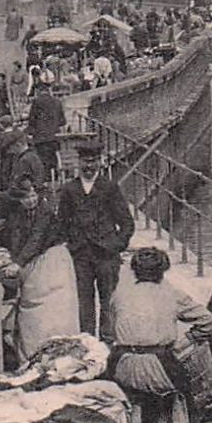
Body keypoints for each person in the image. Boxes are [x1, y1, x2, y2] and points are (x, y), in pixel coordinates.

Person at [109, 247, 212, 423]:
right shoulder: (172, 293)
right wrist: (186, 340)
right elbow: (209, 322)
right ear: (163, 270)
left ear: (134, 270)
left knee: (142, 385)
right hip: (158, 367)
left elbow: (111, 331)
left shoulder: (119, 294)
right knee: (184, 390)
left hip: (122, 367)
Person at [56, 140, 134, 339]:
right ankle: (88, 342)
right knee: (84, 301)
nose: (89, 166)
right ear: (78, 163)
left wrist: (115, 246)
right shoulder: (69, 190)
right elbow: (62, 223)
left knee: (108, 300)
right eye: (85, 162)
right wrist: (71, 245)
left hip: (106, 256)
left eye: (93, 161)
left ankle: (108, 342)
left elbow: (127, 223)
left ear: (100, 162)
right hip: (81, 255)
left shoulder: (110, 188)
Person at [0, 173, 79, 360]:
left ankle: (57, 354)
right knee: (31, 310)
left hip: (52, 261)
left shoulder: (45, 211)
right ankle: (32, 354)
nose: (31, 200)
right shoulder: (17, 213)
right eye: (26, 198)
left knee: (50, 308)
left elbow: (37, 238)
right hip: (33, 261)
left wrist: (18, 263)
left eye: (33, 195)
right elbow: (15, 235)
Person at [28, 82, 64, 178]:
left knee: (43, 160)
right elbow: (63, 121)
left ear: (38, 91)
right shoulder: (57, 102)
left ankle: (46, 179)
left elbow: (32, 120)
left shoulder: (36, 102)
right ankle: (55, 178)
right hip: (54, 136)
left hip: (41, 137)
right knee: (53, 158)